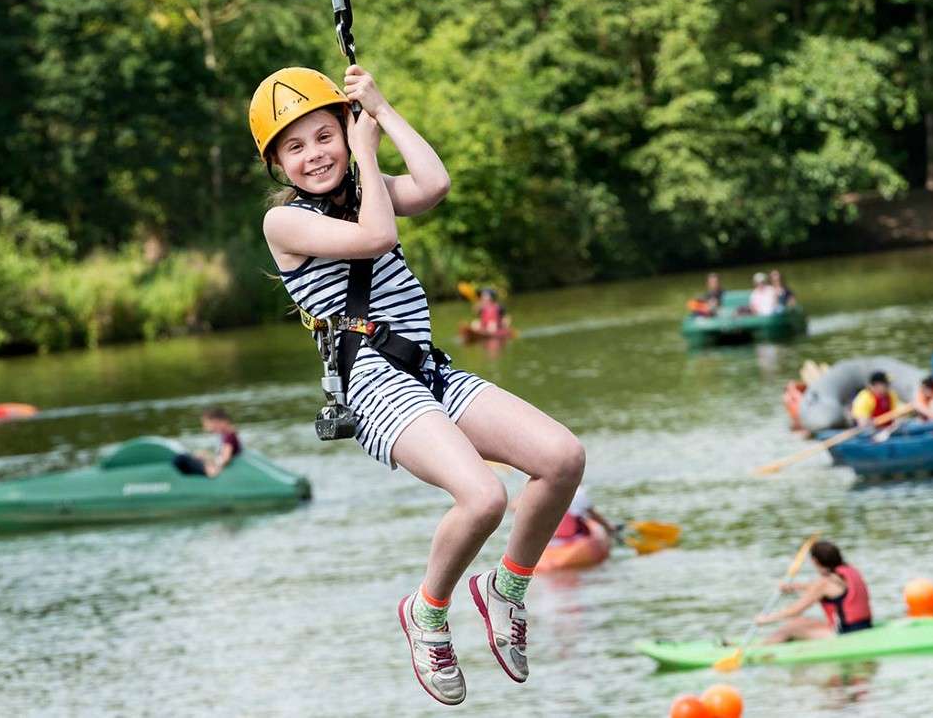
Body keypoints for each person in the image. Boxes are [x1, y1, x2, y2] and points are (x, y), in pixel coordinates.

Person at [250, 64, 584, 705]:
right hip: (372, 381)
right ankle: (427, 612)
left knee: (562, 458)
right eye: (294, 147)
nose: (314, 154)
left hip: (428, 367)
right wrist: (365, 155)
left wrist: (381, 107)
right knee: (483, 497)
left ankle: (504, 589)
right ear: (277, 164)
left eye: (325, 136)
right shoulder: (285, 224)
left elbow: (434, 184)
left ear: (344, 130)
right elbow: (378, 236)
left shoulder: (362, 185)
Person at [755, 540, 872, 643]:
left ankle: (759, 650)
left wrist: (766, 619)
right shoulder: (848, 571)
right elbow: (834, 590)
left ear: (815, 561)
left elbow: (794, 611)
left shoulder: (824, 583)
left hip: (845, 634)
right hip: (864, 625)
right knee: (800, 621)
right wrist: (795, 587)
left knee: (789, 629)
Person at [172, 407, 242, 478]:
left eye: (206, 423)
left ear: (216, 422)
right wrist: (207, 456)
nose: (205, 427)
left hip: (213, 470)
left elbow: (226, 458)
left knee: (181, 458)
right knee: (191, 456)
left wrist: (211, 465)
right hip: (214, 466)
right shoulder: (227, 435)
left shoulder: (229, 436)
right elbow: (222, 456)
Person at [549, 485, 616, 543]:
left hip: (554, 537)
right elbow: (593, 514)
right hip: (573, 535)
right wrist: (608, 527)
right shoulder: (579, 492)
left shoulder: (551, 490)